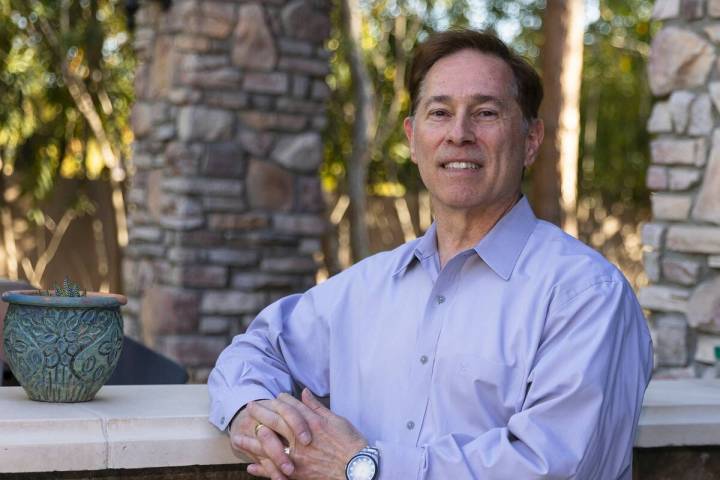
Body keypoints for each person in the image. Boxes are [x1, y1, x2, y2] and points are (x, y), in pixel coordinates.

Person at [208, 28, 653, 480]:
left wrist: (366, 468)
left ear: (531, 139)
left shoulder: (585, 295)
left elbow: (557, 468)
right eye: (439, 112)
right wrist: (251, 410)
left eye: (485, 113)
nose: (459, 134)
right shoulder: (367, 288)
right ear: (413, 137)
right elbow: (258, 348)